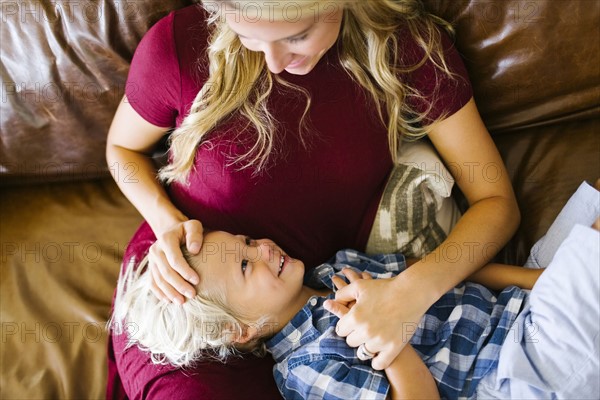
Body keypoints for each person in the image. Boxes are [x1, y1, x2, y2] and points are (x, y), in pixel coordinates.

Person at [105, 0, 519, 397]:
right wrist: (167, 223)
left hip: (327, 301)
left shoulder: (405, 50)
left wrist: (408, 294)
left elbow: (496, 203)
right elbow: (122, 151)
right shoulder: (178, 46)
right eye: (247, 35)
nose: (273, 62)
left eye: (297, 36)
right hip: (184, 289)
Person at [109, 180, 599, 399]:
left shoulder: (337, 267)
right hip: (515, 369)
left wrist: (541, 280)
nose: (262, 249)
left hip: (524, 306)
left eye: (247, 241)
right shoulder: (306, 369)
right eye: (244, 266)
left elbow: (450, 272)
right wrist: (385, 340)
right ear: (240, 330)